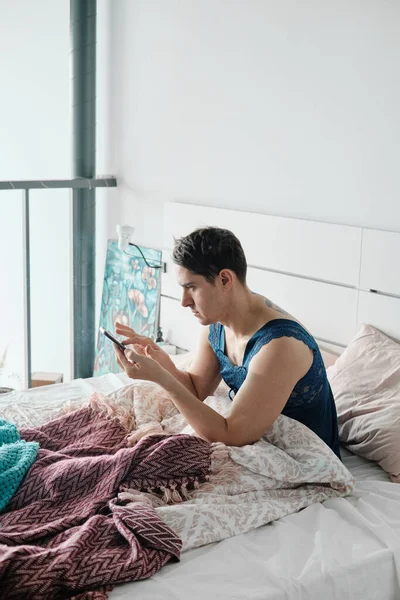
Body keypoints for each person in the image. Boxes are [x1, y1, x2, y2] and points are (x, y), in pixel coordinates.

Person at [114, 227, 340, 458]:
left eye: (191, 287)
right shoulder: (218, 323)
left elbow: (232, 435)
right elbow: (197, 389)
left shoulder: (280, 345)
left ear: (224, 279)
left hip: (300, 454)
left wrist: (161, 378)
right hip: (255, 438)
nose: (184, 302)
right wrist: (163, 363)